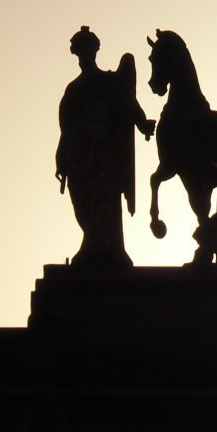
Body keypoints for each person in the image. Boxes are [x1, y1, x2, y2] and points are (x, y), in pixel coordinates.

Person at [55, 26, 155, 267]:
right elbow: (66, 129)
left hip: (105, 156)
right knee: (81, 204)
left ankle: (100, 250)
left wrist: (142, 123)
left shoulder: (109, 81)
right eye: (80, 52)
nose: (84, 56)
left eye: (88, 50)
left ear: (95, 51)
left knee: (103, 202)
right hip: (80, 157)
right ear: (76, 54)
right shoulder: (74, 89)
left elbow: (129, 103)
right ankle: (92, 245)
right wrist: (61, 157)